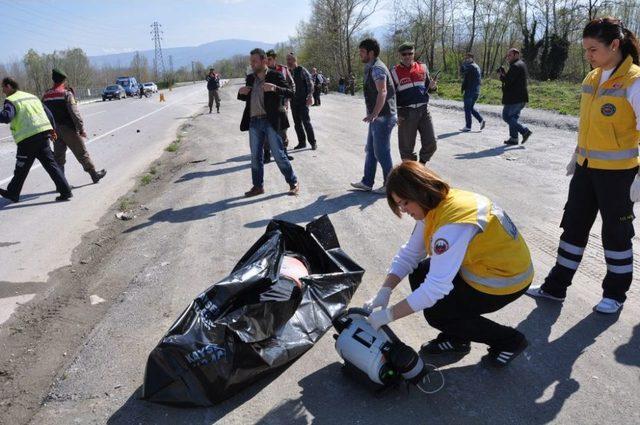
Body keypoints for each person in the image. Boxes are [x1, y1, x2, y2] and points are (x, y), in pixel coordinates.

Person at [364, 162, 533, 367]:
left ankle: (509, 341)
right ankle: (458, 337)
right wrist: (385, 290)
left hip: (504, 281)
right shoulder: (435, 204)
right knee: (420, 271)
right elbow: (411, 254)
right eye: (398, 204)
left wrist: (387, 316)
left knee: (438, 314)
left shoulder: (452, 223)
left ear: (419, 191)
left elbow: (434, 289)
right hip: (488, 266)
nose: (403, 209)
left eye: (405, 203)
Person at [528, 17, 640, 314]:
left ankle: (615, 294)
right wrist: (577, 155)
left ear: (614, 45)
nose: (588, 56)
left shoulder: (634, 81)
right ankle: (555, 287)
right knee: (573, 227)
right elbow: (589, 126)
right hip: (585, 169)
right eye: (586, 50)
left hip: (619, 176)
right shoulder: (591, 79)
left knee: (616, 235)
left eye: (593, 50)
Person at [238, 48, 299, 197]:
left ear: (264, 61)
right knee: (255, 157)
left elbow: (291, 92)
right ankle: (258, 187)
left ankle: (293, 182)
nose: (252, 64)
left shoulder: (275, 75)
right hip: (254, 121)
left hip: (270, 121)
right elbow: (247, 99)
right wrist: (240, 93)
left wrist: (275, 88)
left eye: (254, 61)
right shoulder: (251, 78)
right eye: (251, 61)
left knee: (278, 155)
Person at [0, 77, 72, 203]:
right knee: (51, 165)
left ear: (9, 86)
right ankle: (66, 191)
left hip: (27, 139)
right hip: (43, 136)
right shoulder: (31, 96)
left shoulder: (11, 100)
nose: (3, 91)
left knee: (21, 167)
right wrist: (52, 130)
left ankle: (12, 193)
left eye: (3, 87)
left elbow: (7, 117)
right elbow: (48, 113)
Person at [42, 69, 106, 184]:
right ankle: (94, 175)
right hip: (69, 129)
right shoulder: (66, 94)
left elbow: (43, 113)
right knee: (82, 153)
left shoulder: (46, 95)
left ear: (53, 79)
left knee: (59, 158)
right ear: (64, 80)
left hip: (54, 131)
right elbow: (74, 113)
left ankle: (61, 184)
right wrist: (81, 129)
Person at [350, 38, 397, 194]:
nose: (360, 55)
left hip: (383, 117)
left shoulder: (377, 68)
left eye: (362, 52)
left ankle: (390, 185)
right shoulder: (371, 67)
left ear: (371, 53)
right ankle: (367, 182)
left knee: (381, 151)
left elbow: (382, 92)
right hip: (378, 116)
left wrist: (374, 114)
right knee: (371, 149)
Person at [390, 42, 437, 164]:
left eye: (410, 53)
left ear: (413, 53)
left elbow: (429, 88)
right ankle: (412, 175)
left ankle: (420, 166)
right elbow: (390, 97)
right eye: (404, 54)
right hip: (405, 113)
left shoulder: (422, 67)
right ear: (400, 55)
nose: (407, 56)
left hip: (423, 111)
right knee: (406, 150)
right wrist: (395, 114)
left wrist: (432, 87)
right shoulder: (394, 72)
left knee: (431, 143)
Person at [264, 50, 295, 163]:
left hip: (281, 104)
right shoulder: (263, 72)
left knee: (283, 129)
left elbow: (291, 85)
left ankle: (284, 152)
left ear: (274, 59)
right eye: (266, 59)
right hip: (266, 106)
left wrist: (287, 99)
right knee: (267, 130)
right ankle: (266, 154)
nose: (267, 61)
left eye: (270, 59)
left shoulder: (283, 69)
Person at [498, 48, 532, 145]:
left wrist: (501, 76)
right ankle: (514, 138)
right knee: (513, 118)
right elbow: (512, 80)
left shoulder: (515, 66)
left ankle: (524, 131)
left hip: (515, 98)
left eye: (510, 55)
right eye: (507, 55)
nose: (508, 57)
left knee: (506, 116)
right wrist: (504, 75)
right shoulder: (521, 64)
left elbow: (508, 82)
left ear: (516, 55)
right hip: (520, 97)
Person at [286, 53, 317, 150]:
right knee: (297, 124)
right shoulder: (288, 72)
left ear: (295, 60)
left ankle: (313, 143)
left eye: (290, 59)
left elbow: (310, 84)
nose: (288, 62)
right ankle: (302, 142)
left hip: (303, 101)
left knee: (306, 122)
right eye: (287, 60)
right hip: (293, 102)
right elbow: (287, 87)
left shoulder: (302, 70)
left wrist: (310, 96)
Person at [460, 53, 485, 132]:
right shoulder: (477, 66)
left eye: (468, 58)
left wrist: (462, 64)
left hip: (470, 91)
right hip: (476, 91)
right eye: (466, 58)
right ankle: (481, 120)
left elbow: (462, 71)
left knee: (467, 108)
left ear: (472, 58)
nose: (466, 60)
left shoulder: (471, 66)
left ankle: (468, 126)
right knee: (470, 108)